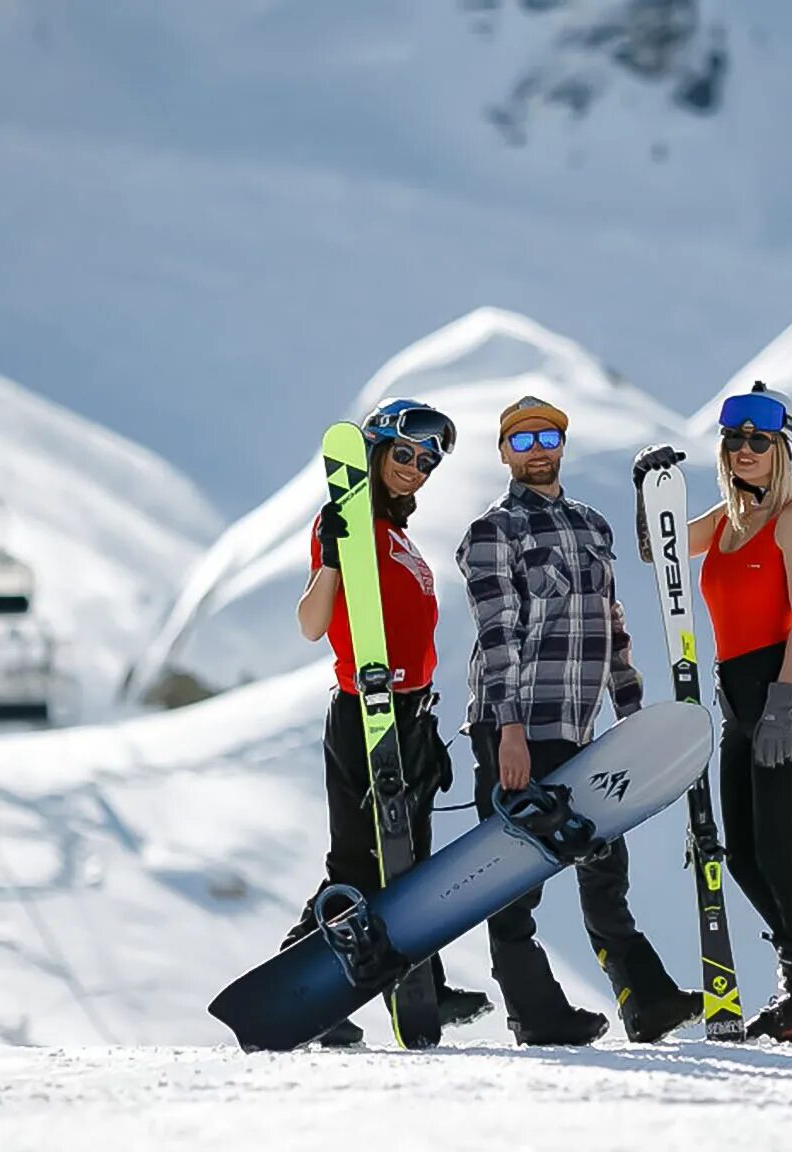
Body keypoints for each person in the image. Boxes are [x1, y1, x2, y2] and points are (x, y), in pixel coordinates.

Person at [457, 395, 706, 1046]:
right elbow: (497, 632)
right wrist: (508, 728)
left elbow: (612, 625)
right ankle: (533, 1013)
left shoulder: (593, 525)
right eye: (521, 440)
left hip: (577, 722)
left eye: (546, 437)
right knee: (514, 875)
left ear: (561, 445)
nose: (535, 449)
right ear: (505, 454)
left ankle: (645, 1000)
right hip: (513, 723)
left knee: (602, 862)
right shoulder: (492, 533)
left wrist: (632, 715)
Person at [632, 383, 792, 1042]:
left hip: (780, 698)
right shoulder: (727, 519)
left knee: (781, 850)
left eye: (759, 441)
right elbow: (661, 550)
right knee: (743, 858)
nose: (745, 450)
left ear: (782, 449)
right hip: (737, 705)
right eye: (734, 440)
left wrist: (782, 704)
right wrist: (647, 490)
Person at [289, 398, 493, 1047]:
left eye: (427, 461)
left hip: (410, 717)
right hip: (363, 712)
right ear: (376, 452)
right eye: (405, 453)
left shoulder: (398, 537)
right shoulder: (345, 524)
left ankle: (420, 986)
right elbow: (313, 625)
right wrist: (331, 558)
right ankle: (300, 986)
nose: (416, 467)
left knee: (408, 870)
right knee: (356, 864)